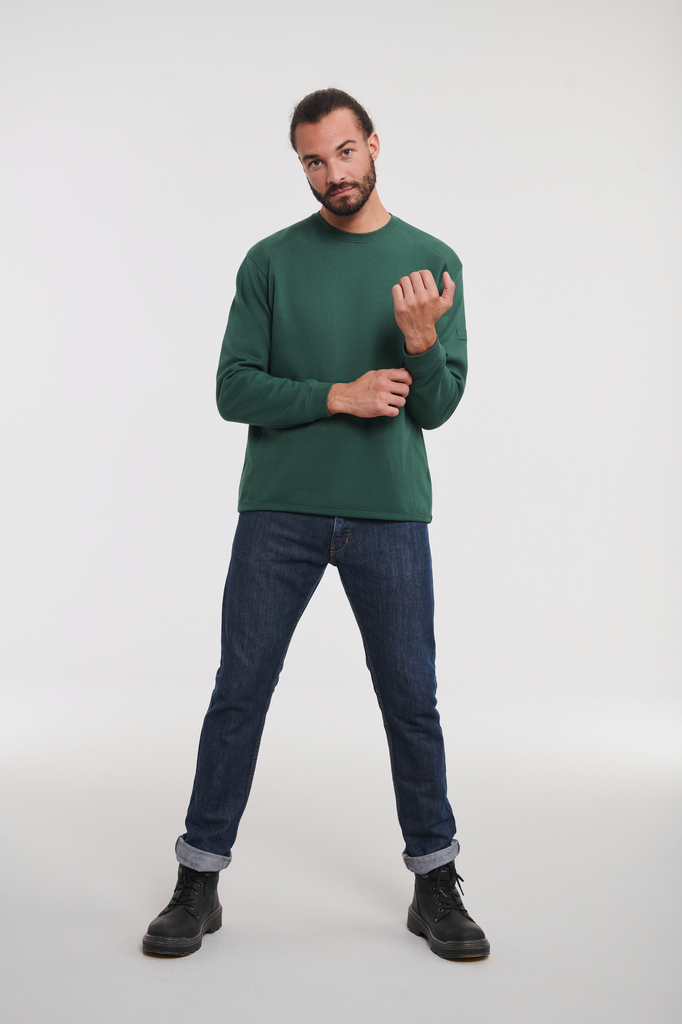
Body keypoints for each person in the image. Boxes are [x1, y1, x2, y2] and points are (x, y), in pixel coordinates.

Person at [142, 88, 490, 961]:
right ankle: (198, 880)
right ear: (299, 165)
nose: (332, 173)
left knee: (411, 700)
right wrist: (339, 394)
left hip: (389, 513)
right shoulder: (270, 262)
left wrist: (420, 342)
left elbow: (438, 408)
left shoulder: (431, 262)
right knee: (240, 692)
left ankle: (435, 883)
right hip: (281, 511)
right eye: (312, 160)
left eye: (343, 151)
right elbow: (233, 388)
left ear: (372, 144)